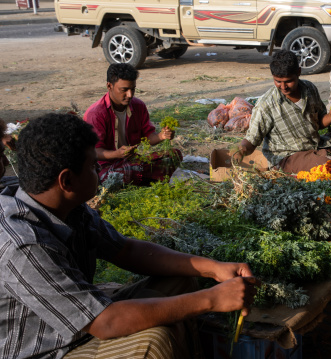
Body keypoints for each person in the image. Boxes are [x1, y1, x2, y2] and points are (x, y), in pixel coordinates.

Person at [0, 113, 259, 358]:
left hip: (84, 319)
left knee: (181, 283)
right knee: (153, 344)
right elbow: (105, 322)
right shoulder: (24, 245)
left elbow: (125, 250)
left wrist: (213, 269)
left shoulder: (64, 206)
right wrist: (212, 299)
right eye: (92, 166)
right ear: (66, 181)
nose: (97, 173)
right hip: (48, 348)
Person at [234, 50, 331, 174]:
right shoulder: (266, 104)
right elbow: (252, 139)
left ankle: (319, 155)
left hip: (314, 145)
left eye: (288, 81)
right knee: (330, 165)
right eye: (278, 81)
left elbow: (318, 123)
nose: (283, 87)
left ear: (298, 72)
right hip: (286, 158)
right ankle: (320, 157)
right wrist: (241, 150)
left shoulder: (309, 89)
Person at [84, 63, 181, 185]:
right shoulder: (96, 114)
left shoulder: (138, 106)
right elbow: (92, 151)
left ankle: (137, 177)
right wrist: (117, 154)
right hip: (105, 166)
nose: (129, 95)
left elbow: (148, 137)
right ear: (109, 86)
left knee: (174, 155)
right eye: (124, 90)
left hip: (131, 161)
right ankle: (141, 177)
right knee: (111, 176)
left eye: (132, 89)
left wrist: (162, 136)